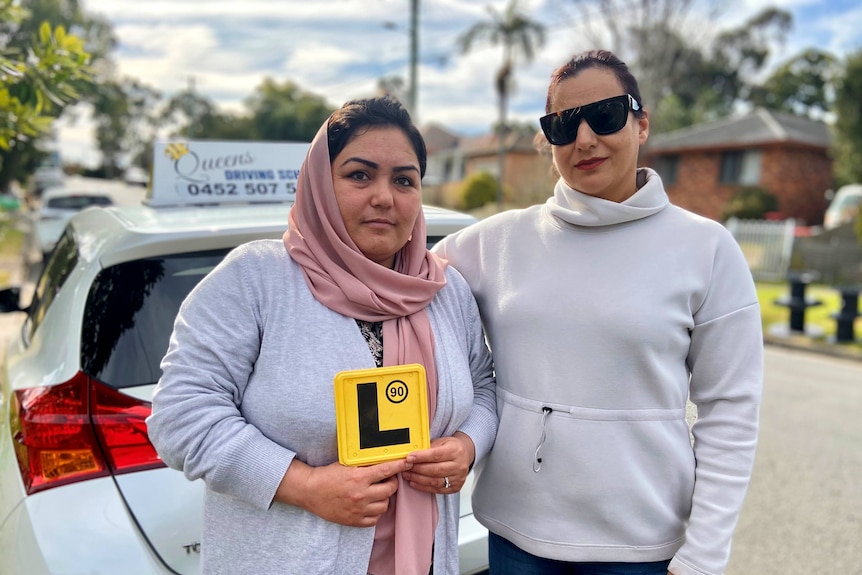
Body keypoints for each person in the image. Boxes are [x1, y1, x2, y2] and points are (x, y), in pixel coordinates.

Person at [432, 50, 763, 575]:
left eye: (605, 115)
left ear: (642, 122)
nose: (584, 138)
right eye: (563, 125)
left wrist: (704, 557)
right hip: (516, 537)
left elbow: (731, 414)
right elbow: (392, 275)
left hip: (641, 548)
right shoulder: (494, 242)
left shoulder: (706, 250)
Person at [147, 96, 497, 575]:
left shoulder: (443, 289)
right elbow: (181, 415)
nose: (384, 197)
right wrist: (305, 487)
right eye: (359, 174)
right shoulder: (257, 279)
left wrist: (468, 445)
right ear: (319, 184)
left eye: (404, 180)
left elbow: (484, 387)